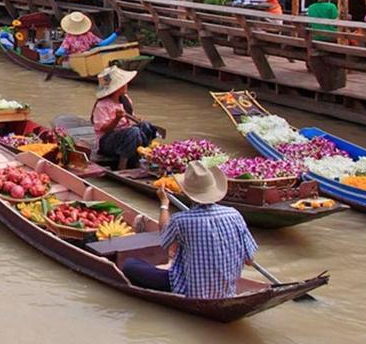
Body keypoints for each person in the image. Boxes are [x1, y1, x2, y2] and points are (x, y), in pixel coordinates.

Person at [121, 161, 258, 299]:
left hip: (189, 290)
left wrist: (164, 204)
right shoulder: (235, 214)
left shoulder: (181, 220)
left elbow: (164, 239)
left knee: (129, 265)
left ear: (186, 193)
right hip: (227, 291)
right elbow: (249, 260)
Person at [91, 66, 159, 169]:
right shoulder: (102, 105)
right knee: (133, 132)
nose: (126, 85)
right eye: (124, 84)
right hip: (106, 142)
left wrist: (137, 119)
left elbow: (131, 117)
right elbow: (104, 129)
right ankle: (122, 165)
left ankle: (142, 155)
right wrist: (116, 119)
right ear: (117, 87)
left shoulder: (125, 100)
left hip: (126, 137)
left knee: (147, 126)